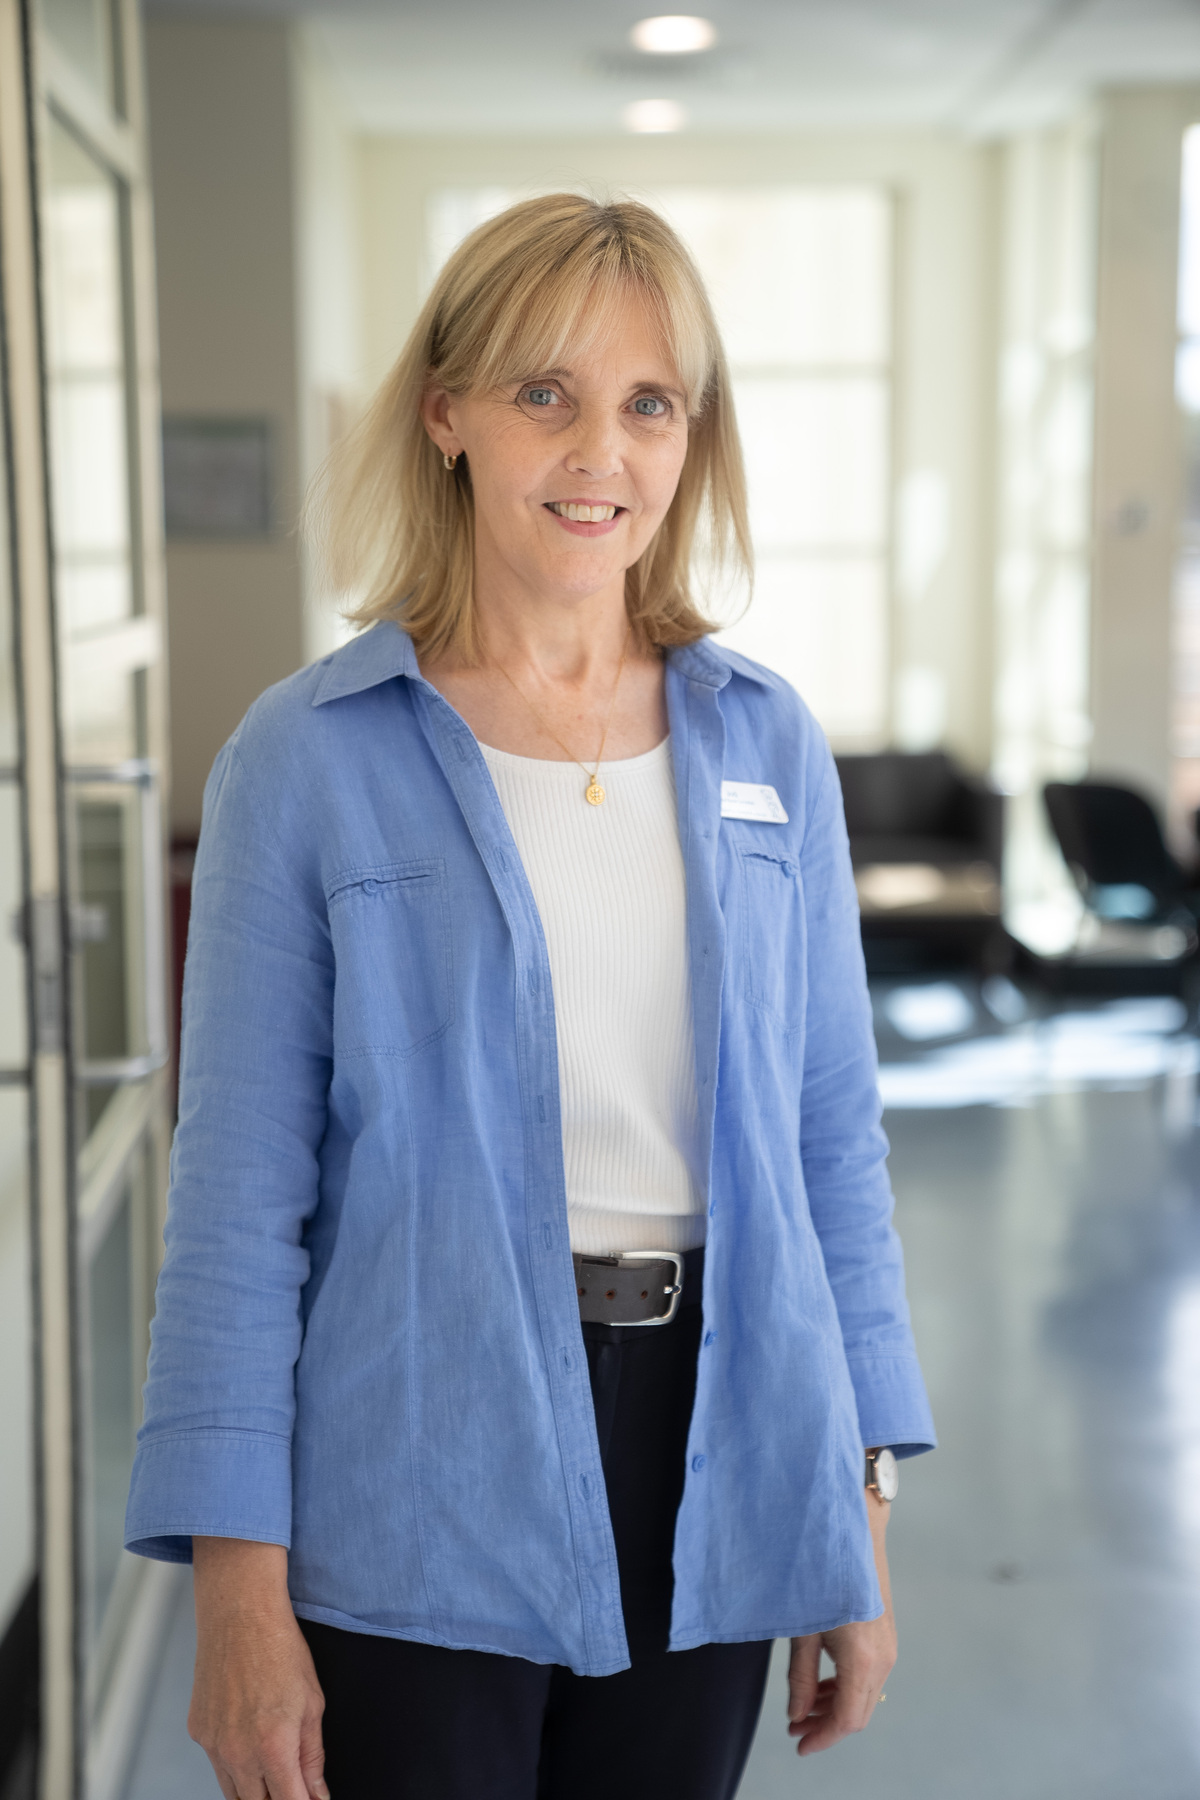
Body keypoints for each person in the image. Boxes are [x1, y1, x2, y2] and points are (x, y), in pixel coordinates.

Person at [125, 193, 935, 1800]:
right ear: (447, 413)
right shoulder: (308, 759)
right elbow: (235, 1200)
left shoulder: (767, 745)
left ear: (691, 440)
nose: (600, 452)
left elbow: (832, 1141)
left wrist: (859, 1499)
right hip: (415, 1448)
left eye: (648, 403)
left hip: (723, 1449)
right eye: (543, 393)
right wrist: (236, 1591)